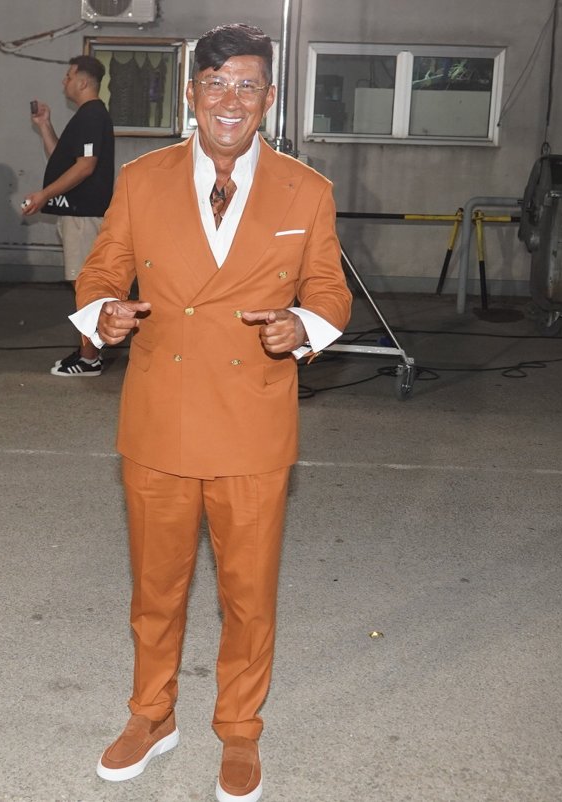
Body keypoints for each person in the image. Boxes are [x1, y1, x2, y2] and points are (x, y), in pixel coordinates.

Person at [70, 24, 353, 802]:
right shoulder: (142, 180)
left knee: (248, 596)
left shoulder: (308, 190)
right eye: (218, 83)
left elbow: (329, 289)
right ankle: (152, 716)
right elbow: (101, 270)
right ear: (192, 94)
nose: (232, 100)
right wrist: (103, 315)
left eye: (248, 85)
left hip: (254, 423)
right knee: (155, 590)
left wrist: (306, 327)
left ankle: (240, 730)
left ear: (269, 97)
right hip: (160, 418)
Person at [22, 55, 115, 377]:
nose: (64, 82)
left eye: (68, 76)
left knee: (87, 286)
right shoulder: (86, 116)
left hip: (83, 216)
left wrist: (43, 195)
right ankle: (89, 351)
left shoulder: (92, 115)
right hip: (77, 215)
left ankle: (89, 358)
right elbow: (63, 161)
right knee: (85, 284)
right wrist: (44, 125)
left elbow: (85, 167)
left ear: (83, 81)